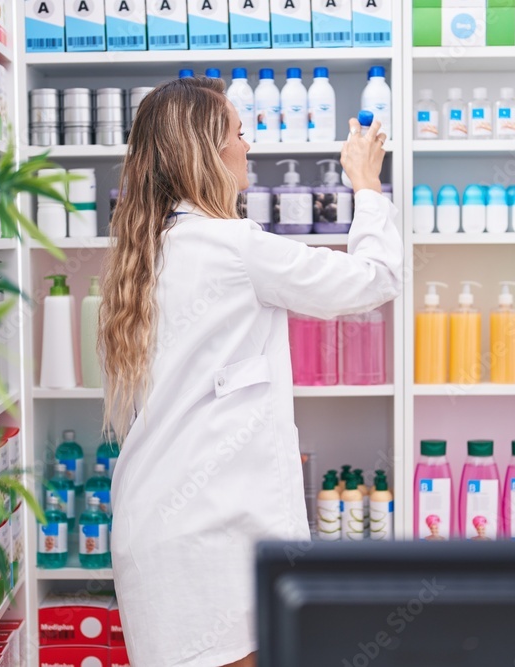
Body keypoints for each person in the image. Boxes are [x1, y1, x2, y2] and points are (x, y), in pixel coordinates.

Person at [98, 77, 401, 667]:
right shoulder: (234, 246)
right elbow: (374, 279)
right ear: (206, 151)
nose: (249, 144)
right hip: (212, 538)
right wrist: (366, 185)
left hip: (162, 526)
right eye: (239, 132)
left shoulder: (147, 247)